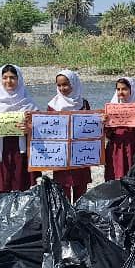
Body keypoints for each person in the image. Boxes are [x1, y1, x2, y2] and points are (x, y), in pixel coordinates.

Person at [0, 64, 40, 195]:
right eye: (5, 77)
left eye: (12, 77)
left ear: (19, 79)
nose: (8, 81)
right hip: (1, 152)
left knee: (22, 188)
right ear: (0, 79)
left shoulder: (27, 102)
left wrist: (30, 129)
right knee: (1, 188)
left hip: (21, 152)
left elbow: (41, 128)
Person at [48, 69, 93, 201]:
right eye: (59, 85)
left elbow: (90, 127)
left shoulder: (83, 104)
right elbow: (48, 130)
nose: (62, 88)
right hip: (61, 156)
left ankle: (79, 219)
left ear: (74, 84)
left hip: (81, 154)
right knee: (62, 189)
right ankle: (66, 220)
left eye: (66, 84)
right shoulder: (53, 106)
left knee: (81, 190)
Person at [104, 77, 135, 180]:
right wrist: (105, 123)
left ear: (132, 90)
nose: (121, 92)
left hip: (133, 148)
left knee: (133, 177)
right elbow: (108, 135)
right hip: (116, 149)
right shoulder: (112, 108)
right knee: (115, 177)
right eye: (118, 89)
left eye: (125, 89)